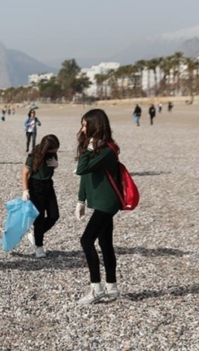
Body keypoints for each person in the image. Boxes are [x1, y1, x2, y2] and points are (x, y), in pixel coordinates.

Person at [74, 109, 122, 305]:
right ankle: (112, 288)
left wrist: (87, 150)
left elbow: (81, 169)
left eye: (86, 125)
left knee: (86, 241)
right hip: (100, 202)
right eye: (82, 124)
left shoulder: (107, 150)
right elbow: (86, 176)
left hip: (107, 203)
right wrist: (81, 200)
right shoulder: (96, 148)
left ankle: (96, 289)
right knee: (105, 244)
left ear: (96, 125)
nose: (83, 128)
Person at [21, 135, 60, 258]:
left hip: (48, 185)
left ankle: (36, 235)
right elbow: (25, 173)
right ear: (47, 148)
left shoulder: (53, 154)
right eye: (54, 149)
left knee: (54, 215)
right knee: (39, 218)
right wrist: (25, 190)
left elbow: (51, 168)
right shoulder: (34, 155)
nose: (55, 151)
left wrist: (56, 164)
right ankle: (39, 246)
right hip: (35, 187)